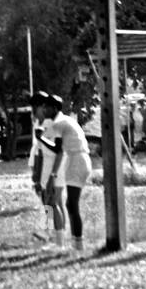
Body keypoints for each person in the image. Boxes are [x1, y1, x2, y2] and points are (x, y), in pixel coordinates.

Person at [39, 95, 92, 255]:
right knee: (68, 204)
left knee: (69, 204)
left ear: (55, 108)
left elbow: (57, 150)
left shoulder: (59, 123)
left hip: (77, 159)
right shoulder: (64, 121)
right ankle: (74, 242)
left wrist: (39, 138)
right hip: (76, 159)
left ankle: (76, 243)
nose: (44, 110)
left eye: (46, 107)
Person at [29, 91, 59, 243]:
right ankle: (47, 230)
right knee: (45, 199)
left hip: (51, 166)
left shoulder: (51, 124)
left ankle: (52, 232)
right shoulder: (38, 124)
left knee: (51, 199)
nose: (34, 112)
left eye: (36, 108)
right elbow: (38, 150)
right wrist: (36, 171)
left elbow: (55, 150)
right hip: (42, 165)